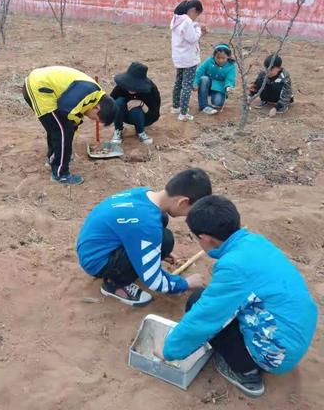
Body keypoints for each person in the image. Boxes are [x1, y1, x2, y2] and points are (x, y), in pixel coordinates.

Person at [160, 195, 318, 398]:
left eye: (195, 237)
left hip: (278, 355)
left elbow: (205, 318)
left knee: (198, 303)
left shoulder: (234, 267)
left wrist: (168, 351)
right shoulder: (254, 242)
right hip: (298, 332)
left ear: (206, 238)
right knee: (215, 301)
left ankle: (246, 372)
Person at [76, 168, 212, 306]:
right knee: (162, 237)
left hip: (95, 246)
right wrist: (185, 284)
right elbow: (154, 281)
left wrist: (159, 251)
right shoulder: (147, 223)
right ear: (182, 202)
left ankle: (126, 267)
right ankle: (114, 285)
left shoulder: (144, 193)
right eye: (191, 210)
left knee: (164, 234)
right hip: (97, 261)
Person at [23, 66, 117, 185]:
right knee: (62, 130)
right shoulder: (89, 92)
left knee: (57, 127)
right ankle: (61, 174)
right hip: (40, 87)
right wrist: (70, 132)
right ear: (97, 107)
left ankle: (54, 158)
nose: (92, 119)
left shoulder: (93, 94)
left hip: (38, 85)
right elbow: (64, 110)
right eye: (95, 118)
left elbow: (72, 114)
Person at [170, 0, 207, 122]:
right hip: (189, 59)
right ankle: (184, 113)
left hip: (179, 57)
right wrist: (199, 31)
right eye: (197, 14)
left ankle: (176, 106)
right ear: (192, 10)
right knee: (187, 85)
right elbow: (192, 39)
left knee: (178, 82)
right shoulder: (186, 22)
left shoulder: (176, 19)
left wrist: (196, 27)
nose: (196, 17)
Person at [110, 62, 161, 146]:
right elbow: (110, 103)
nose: (131, 87)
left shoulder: (151, 90)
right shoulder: (121, 86)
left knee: (136, 109)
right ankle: (118, 131)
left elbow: (154, 115)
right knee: (119, 101)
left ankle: (141, 132)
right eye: (130, 84)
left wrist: (141, 104)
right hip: (123, 115)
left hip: (144, 118)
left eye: (135, 85)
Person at [194, 43, 236, 115]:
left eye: (223, 58)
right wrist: (195, 83)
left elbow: (230, 79)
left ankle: (215, 100)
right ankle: (203, 106)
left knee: (217, 103)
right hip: (207, 85)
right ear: (214, 56)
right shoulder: (209, 61)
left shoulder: (231, 66)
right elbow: (199, 72)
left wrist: (229, 86)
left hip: (220, 87)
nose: (220, 60)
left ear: (228, 57)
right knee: (204, 79)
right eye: (218, 58)